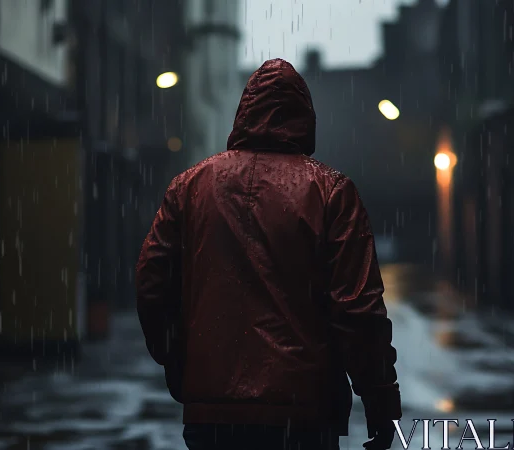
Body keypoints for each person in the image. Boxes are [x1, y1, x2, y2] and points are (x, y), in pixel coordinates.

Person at [136, 58, 401, 450]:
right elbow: (358, 309)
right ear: (305, 118)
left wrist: (182, 364)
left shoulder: (189, 188)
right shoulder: (330, 192)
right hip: (302, 416)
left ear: (243, 113)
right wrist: (380, 400)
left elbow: (151, 286)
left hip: (213, 418)